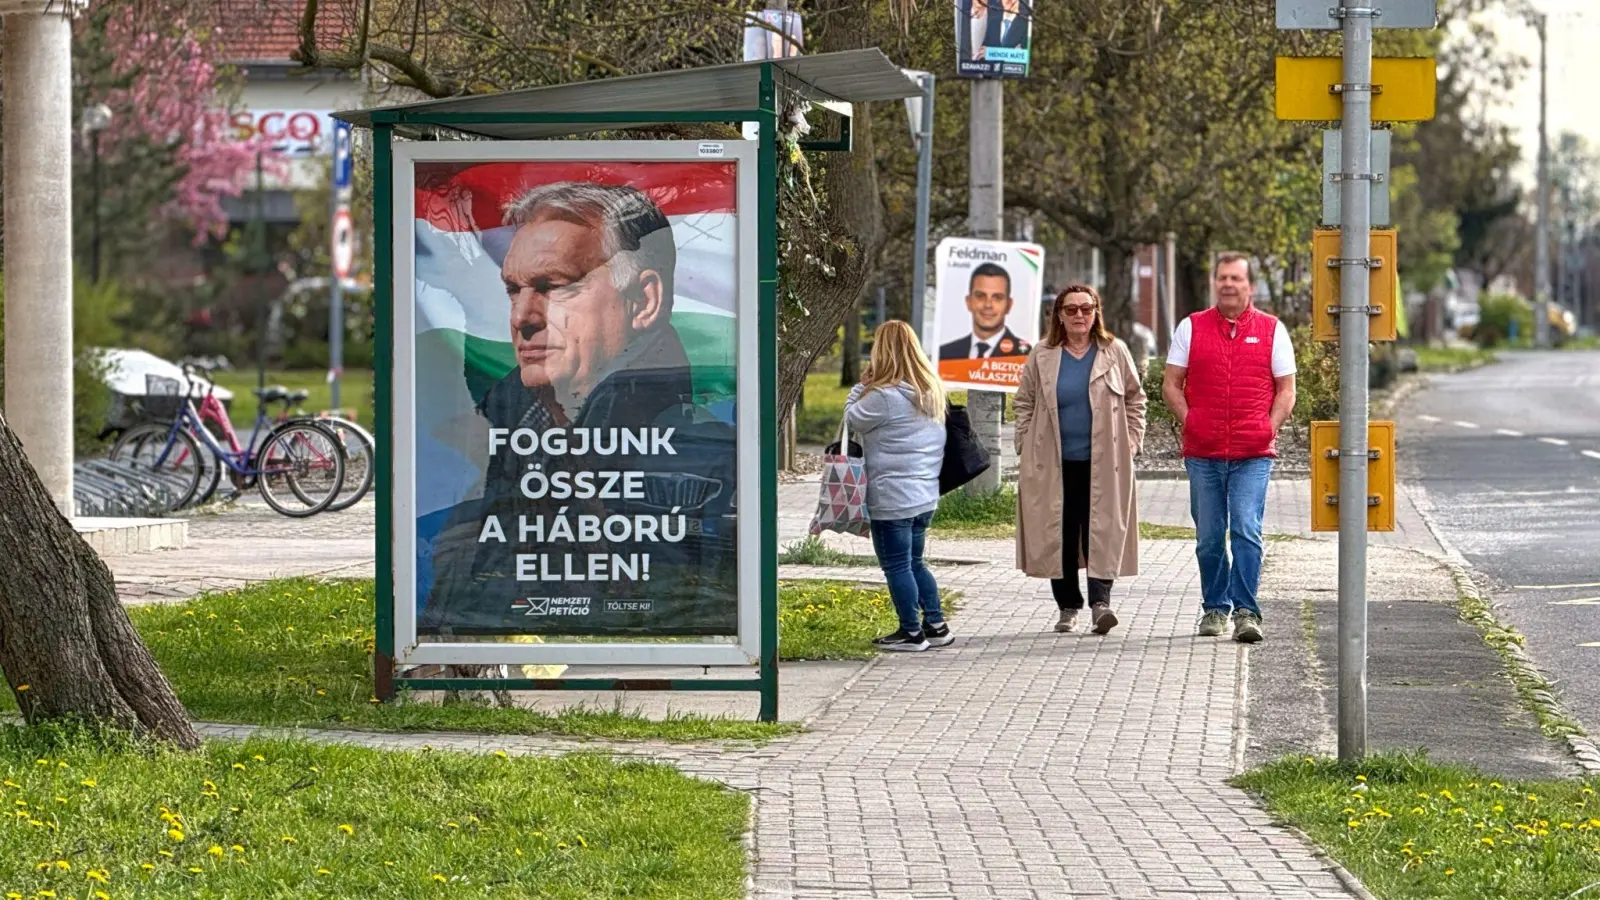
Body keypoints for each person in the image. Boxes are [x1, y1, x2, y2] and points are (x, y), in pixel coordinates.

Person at [422, 181, 738, 636]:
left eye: (555, 286)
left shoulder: (700, 455)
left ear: (643, 301)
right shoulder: (500, 435)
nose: (522, 318)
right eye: (514, 289)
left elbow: (685, 612)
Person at [1162, 252, 1297, 644]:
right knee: (1208, 535)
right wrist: (1192, 421)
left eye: (1236, 278)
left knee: (1245, 529)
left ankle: (1247, 612)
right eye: (1222, 277)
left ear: (1250, 286)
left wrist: (1266, 428)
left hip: (1251, 454)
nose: (1228, 284)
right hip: (1203, 453)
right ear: (1214, 283)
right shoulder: (1191, 328)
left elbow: (1287, 390)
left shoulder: (1273, 330)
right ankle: (1215, 608)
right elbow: (1171, 384)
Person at [1014, 285, 1147, 634]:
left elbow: (1136, 399)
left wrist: (1132, 443)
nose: (1079, 316)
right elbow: (1024, 402)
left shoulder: (1113, 351)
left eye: (1086, 309)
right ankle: (1068, 606)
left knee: (1101, 530)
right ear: (1059, 314)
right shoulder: (1043, 354)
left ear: (1096, 313)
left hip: (1105, 462)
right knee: (1058, 532)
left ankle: (1101, 604)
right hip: (1053, 462)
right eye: (1071, 309)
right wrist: (1025, 444)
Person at [845, 320, 954, 652]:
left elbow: (851, 418)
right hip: (924, 495)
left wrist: (857, 388)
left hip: (893, 496)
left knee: (896, 565)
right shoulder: (931, 390)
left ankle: (911, 632)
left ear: (881, 350)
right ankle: (936, 624)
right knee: (916, 562)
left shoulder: (884, 397)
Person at [939, 262, 1033, 361]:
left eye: (997, 297)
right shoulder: (944, 354)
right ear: (968, 301)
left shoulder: (1027, 356)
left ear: (1008, 305)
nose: (988, 305)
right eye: (980, 296)